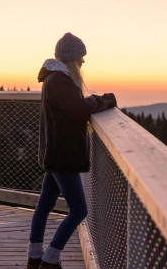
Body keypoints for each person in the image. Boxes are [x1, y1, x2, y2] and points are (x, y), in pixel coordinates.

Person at [28, 32, 116, 269]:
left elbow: (74, 107)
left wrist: (97, 101)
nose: (83, 62)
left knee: (44, 207)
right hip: (63, 155)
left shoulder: (55, 79)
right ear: (70, 59)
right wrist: (105, 101)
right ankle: (50, 259)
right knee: (79, 210)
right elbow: (78, 108)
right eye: (80, 57)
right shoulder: (59, 80)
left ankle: (35, 257)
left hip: (56, 152)